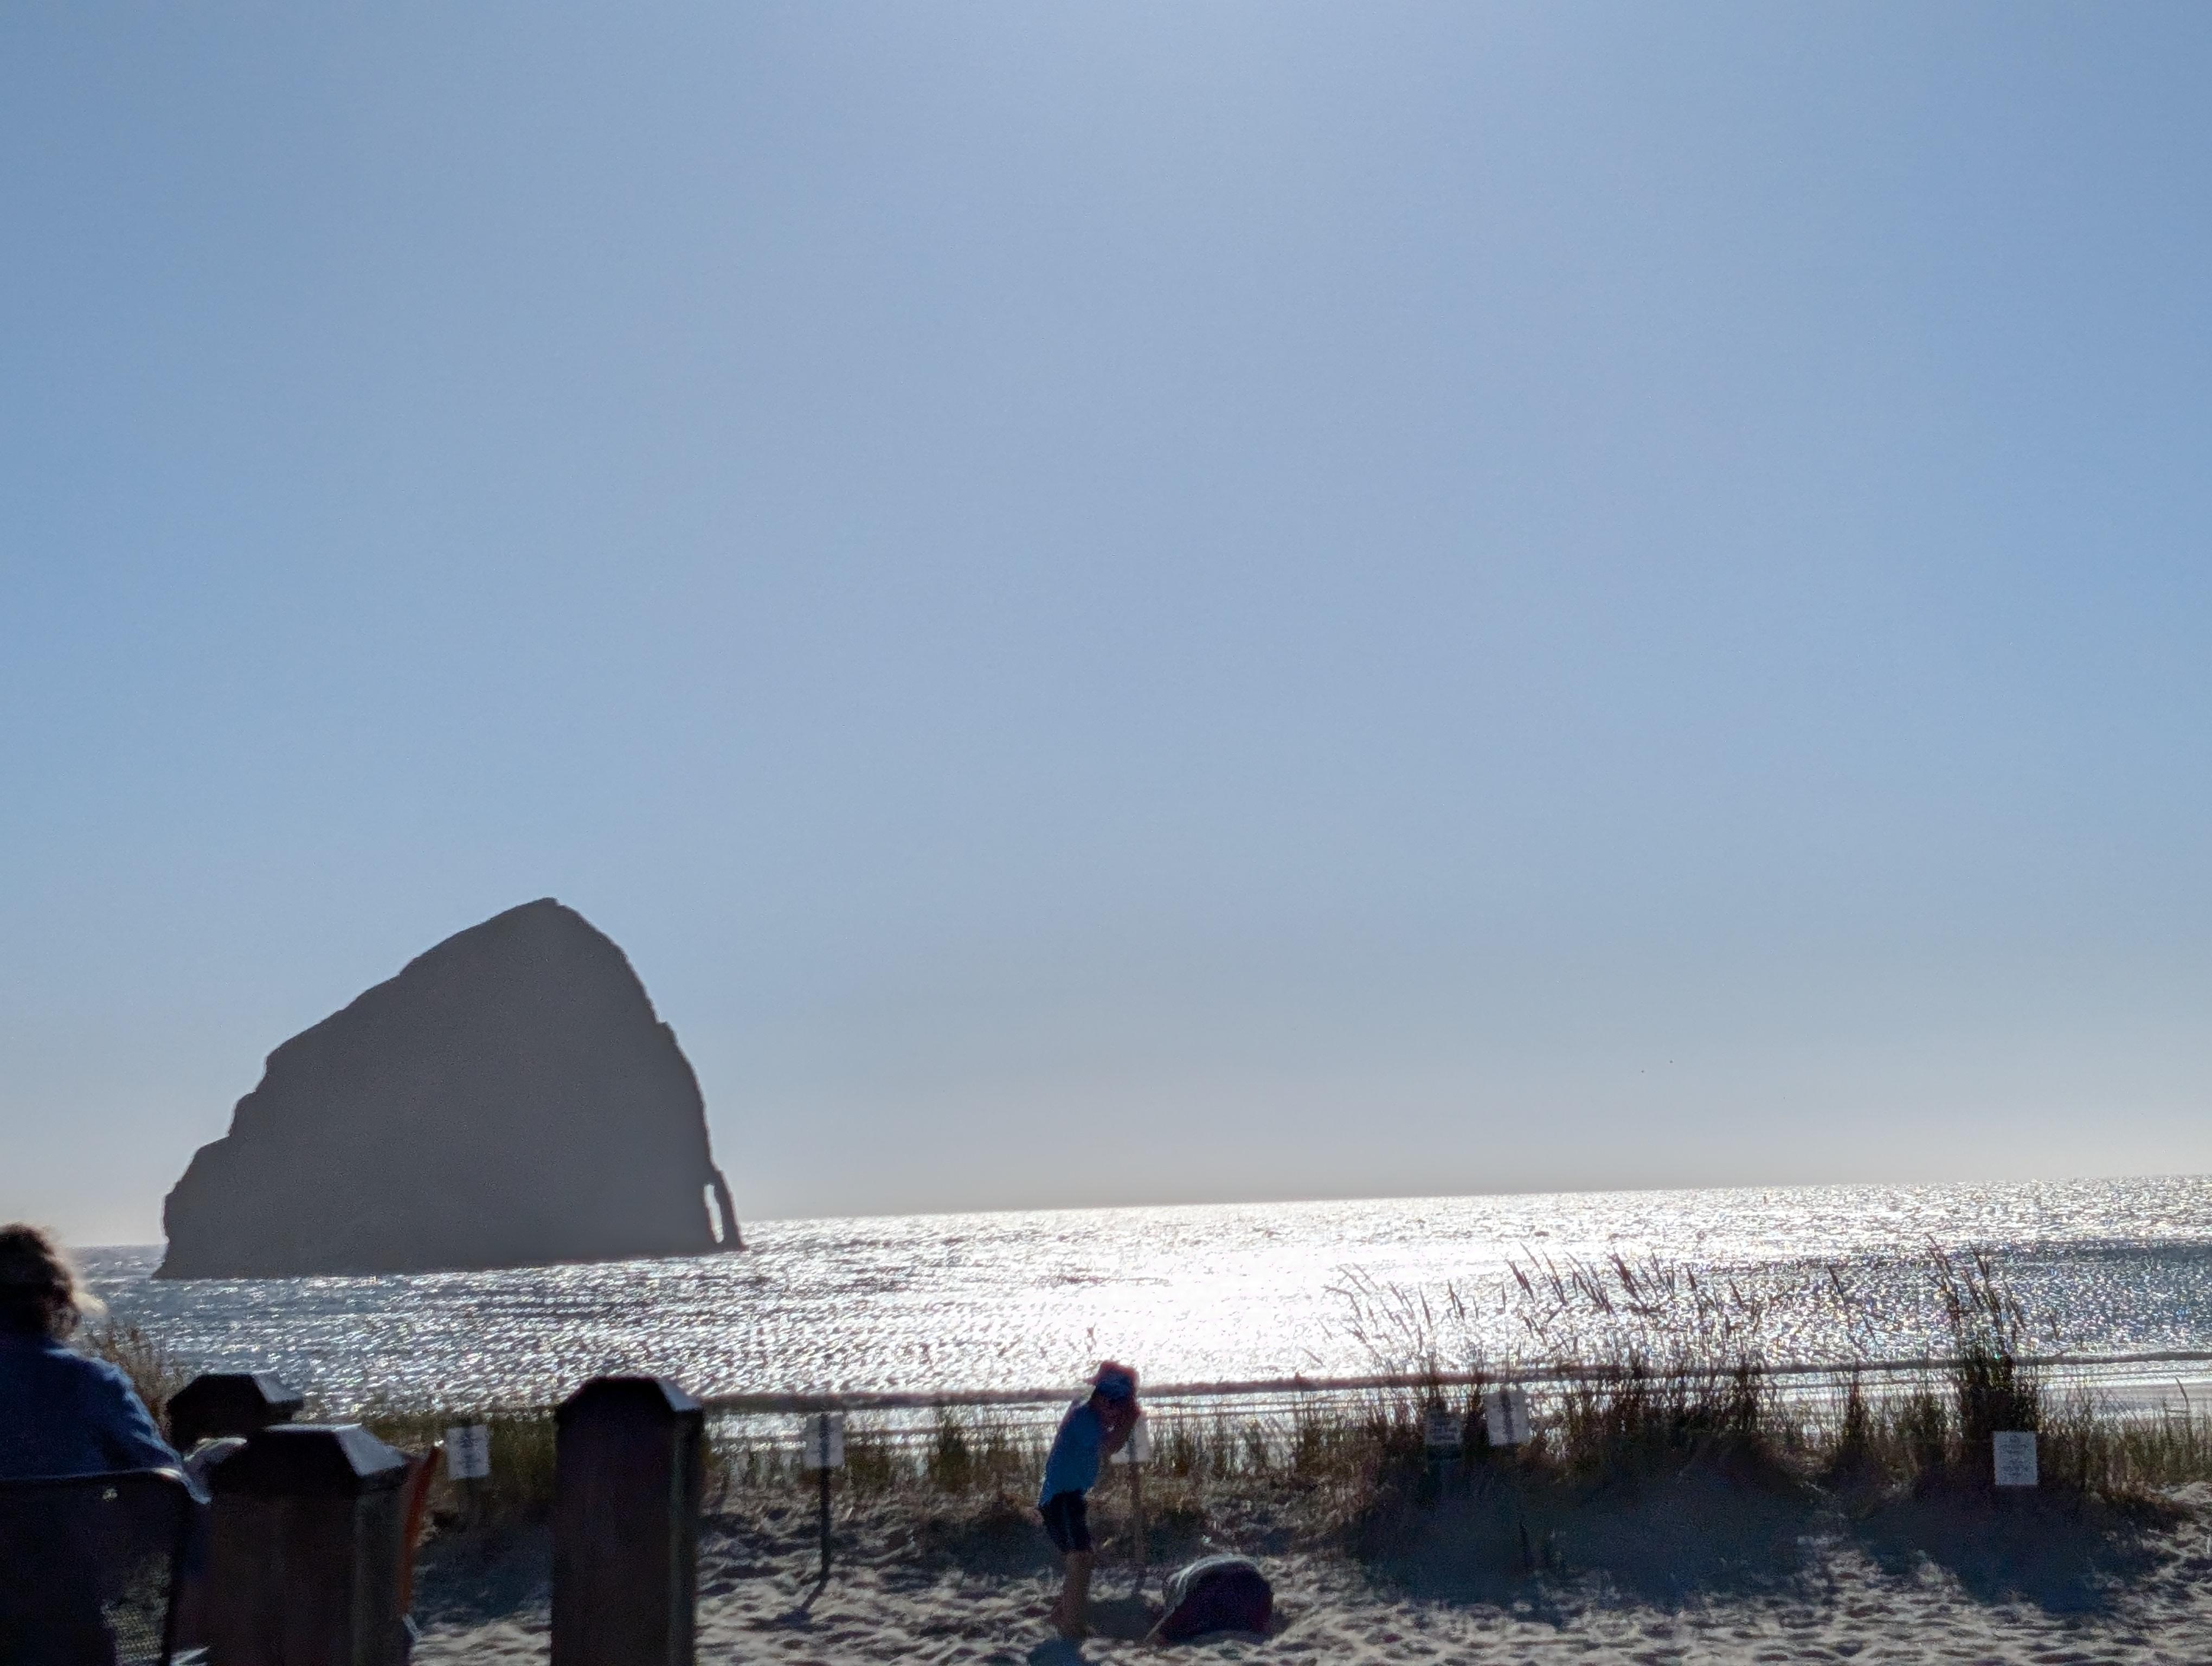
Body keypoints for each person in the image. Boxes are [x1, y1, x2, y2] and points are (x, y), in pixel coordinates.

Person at [1037, 1361, 1139, 1642]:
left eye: (1121, 1405)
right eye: (1112, 1403)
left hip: (1070, 1496)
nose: (1115, 1411)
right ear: (1100, 1398)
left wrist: (1124, 1416)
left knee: (1081, 1558)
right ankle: (1070, 1625)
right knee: (1080, 1558)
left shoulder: (1089, 1412)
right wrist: (1129, 1421)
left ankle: (1064, 1612)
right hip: (1060, 1497)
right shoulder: (1085, 1418)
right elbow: (1112, 1445)